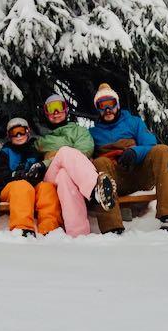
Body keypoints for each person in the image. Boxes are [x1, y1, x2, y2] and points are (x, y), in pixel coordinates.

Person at [89, 83, 168, 232]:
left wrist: (135, 153)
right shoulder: (93, 133)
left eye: (111, 104)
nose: (107, 110)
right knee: (100, 162)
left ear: (117, 105)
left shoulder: (133, 122)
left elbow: (151, 145)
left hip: (139, 173)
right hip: (115, 180)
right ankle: (112, 227)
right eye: (102, 106)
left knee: (163, 151)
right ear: (98, 109)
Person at [36, 93, 117, 237]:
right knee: (65, 153)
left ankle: (78, 233)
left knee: (64, 176)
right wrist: (49, 161)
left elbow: (84, 151)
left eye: (59, 107)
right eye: (51, 108)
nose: (55, 113)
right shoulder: (42, 140)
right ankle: (95, 189)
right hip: (50, 178)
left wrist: (56, 157)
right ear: (46, 113)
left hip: (72, 176)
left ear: (66, 109)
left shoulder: (80, 131)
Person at [0, 117, 63, 237]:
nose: (18, 135)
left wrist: (37, 173)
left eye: (21, 131)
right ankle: (23, 228)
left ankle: (50, 228)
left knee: (47, 188)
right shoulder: (5, 152)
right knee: (22, 186)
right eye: (14, 133)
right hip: (8, 187)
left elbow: (43, 169)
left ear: (27, 132)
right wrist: (15, 175)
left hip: (31, 186)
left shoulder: (34, 151)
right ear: (9, 136)